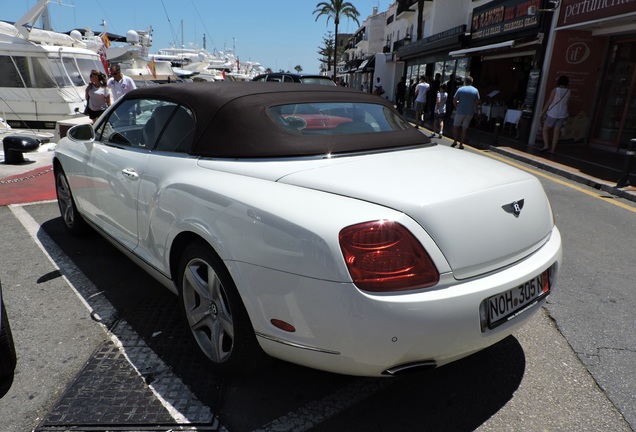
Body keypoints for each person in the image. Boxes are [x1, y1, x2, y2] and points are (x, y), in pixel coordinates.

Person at [540, 75, 570, 154]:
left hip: (553, 113)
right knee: (556, 131)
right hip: (563, 113)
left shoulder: (555, 90)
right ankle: (553, 150)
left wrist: (543, 112)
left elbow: (549, 101)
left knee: (545, 129)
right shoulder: (568, 91)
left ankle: (546, 145)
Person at [451, 76, 480, 149]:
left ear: (465, 81)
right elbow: (477, 102)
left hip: (460, 110)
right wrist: (475, 110)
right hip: (470, 112)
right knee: (464, 128)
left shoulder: (460, 89)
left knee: (455, 126)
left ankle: (455, 141)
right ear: (472, 82)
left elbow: (454, 100)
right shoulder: (475, 90)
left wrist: (456, 107)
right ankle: (461, 144)